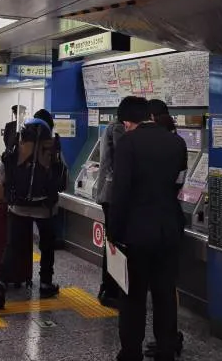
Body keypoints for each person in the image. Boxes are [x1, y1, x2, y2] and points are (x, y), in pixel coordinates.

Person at [108, 97, 187, 361]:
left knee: (133, 296)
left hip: (136, 233)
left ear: (127, 122)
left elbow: (120, 192)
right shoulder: (177, 143)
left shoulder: (127, 144)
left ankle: (131, 352)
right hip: (169, 229)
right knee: (165, 294)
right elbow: (179, 183)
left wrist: (113, 232)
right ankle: (166, 350)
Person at [0, 109, 68, 310]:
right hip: (45, 208)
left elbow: (1, 173)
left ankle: (0, 284)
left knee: (12, 246)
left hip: (18, 207)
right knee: (47, 246)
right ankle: (45, 283)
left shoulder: (19, 144)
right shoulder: (52, 147)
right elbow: (62, 180)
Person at [145, 99, 187, 358]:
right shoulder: (179, 143)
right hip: (172, 218)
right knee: (167, 287)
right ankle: (168, 339)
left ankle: (166, 341)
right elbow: (180, 180)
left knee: (157, 287)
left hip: (150, 223)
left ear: (150, 117)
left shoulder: (143, 145)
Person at [94, 116, 125, 308]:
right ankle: (110, 290)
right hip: (113, 195)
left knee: (112, 241)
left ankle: (108, 288)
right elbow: (123, 159)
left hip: (108, 193)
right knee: (114, 243)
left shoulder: (111, 126)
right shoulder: (118, 128)